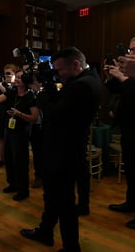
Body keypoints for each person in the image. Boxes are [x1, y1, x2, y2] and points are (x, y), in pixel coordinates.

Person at [20, 47, 101, 252]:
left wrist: (40, 91)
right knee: (54, 196)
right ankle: (45, 231)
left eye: (60, 70)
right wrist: (49, 86)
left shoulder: (82, 85)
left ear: (75, 65)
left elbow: (56, 114)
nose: (58, 75)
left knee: (64, 203)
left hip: (63, 152)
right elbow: (62, 103)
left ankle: (71, 247)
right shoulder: (88, 78)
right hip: (66, 149)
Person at [104, 37, 135, 229]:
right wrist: (112, 75)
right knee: (131, 172)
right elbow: (121, 91)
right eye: (130, 50)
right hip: (129, 131)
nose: (130, 54)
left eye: (134, 50)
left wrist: (124, 77)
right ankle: (131, 203)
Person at [0, 69, 39, 201]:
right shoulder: (12, 93)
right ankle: (12, 184)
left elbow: (34, 117)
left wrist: (19, 114)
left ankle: (23, 190)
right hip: (9, 131)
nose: (16, 79)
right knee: (9, 159)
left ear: (25, 82)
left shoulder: (31, 97)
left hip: (21, 133)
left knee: (20, 162)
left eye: (19, 78)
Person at [0, 64, 19, 169]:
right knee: (0, 138)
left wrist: (0, 85)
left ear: (14, 74)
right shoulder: (4, 86)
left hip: (9, 115)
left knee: (9, 139)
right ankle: (1, 159)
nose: (6, 76)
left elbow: (6, 96)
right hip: (0, 114)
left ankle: (8, 159)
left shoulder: (15, 87)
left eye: (9, 73)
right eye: (5, 73)